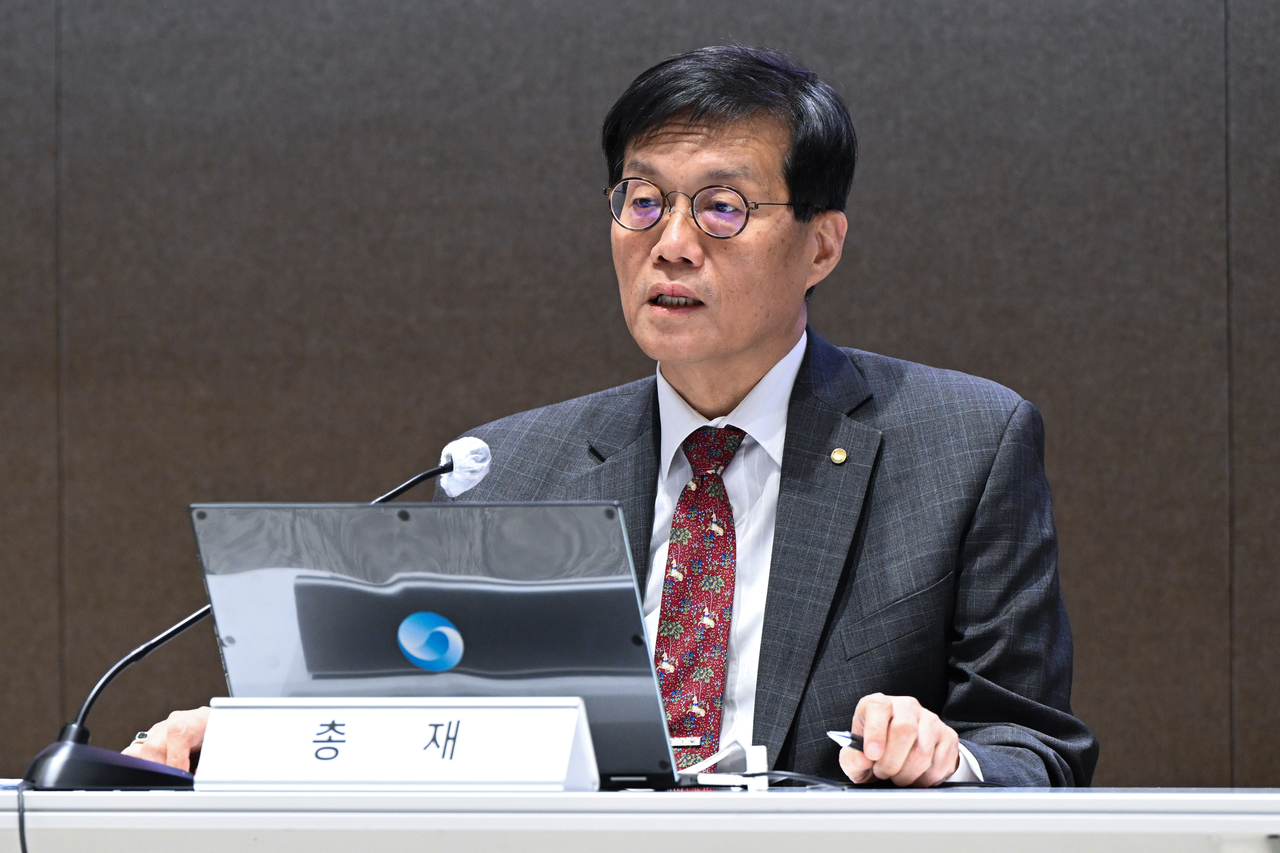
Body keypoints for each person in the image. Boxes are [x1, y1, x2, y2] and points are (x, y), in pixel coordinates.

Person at [127, 45, 1098, 787]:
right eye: (641, 203)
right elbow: (428, 726)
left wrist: (944, 756)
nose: (670, 245)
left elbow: (1033, 743)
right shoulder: (513, 463)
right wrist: (257, 741)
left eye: (720, 209)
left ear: (820, 244)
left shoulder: (961, 444)